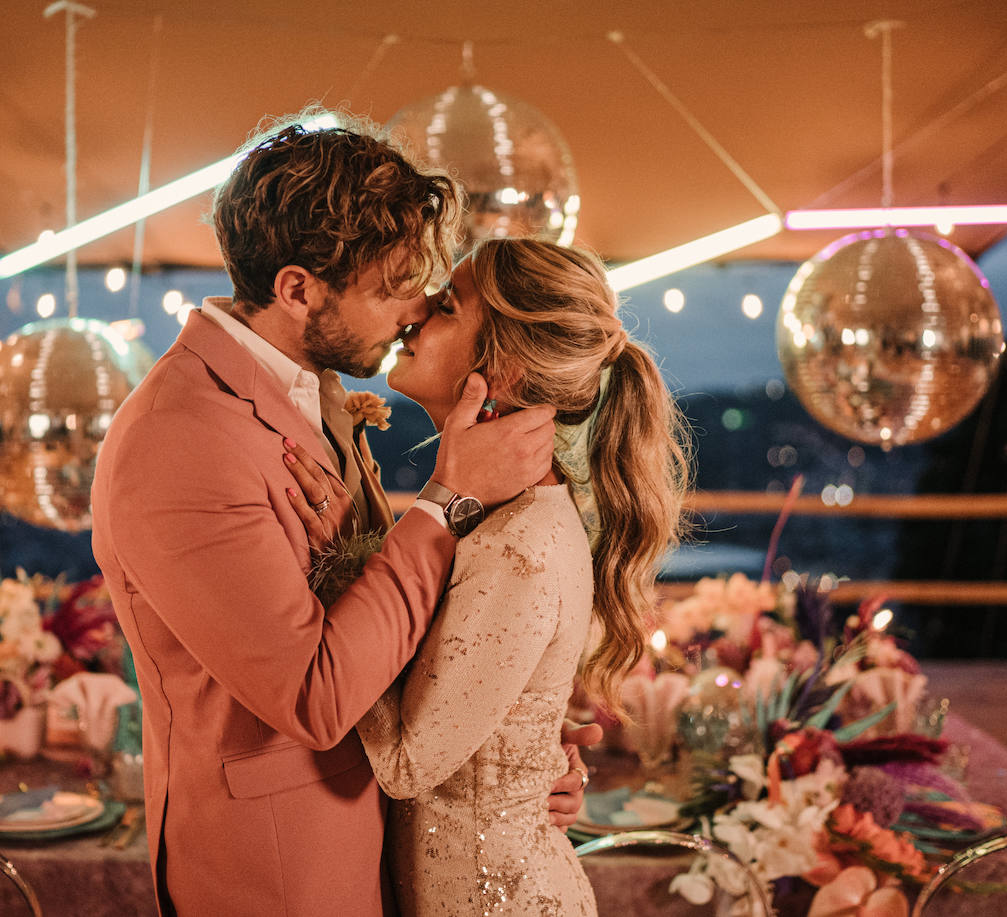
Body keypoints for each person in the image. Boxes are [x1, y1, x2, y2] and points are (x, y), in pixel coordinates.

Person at [89, 112, 591, 917]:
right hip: (280, 874)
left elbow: (381, 621)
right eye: (392, 286)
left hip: (384, 845)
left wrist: (515, 758)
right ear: (297, 290)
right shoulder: (176, 443)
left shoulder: (309, 386)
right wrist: (444, 499)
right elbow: (320, 694)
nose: (416, 306)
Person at [287, 238, 690, 915]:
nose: (414, 316)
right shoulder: (485, 516)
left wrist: (337, 568)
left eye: (446, 306)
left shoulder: (519, 545)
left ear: (498, 366)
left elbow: (406, 763)